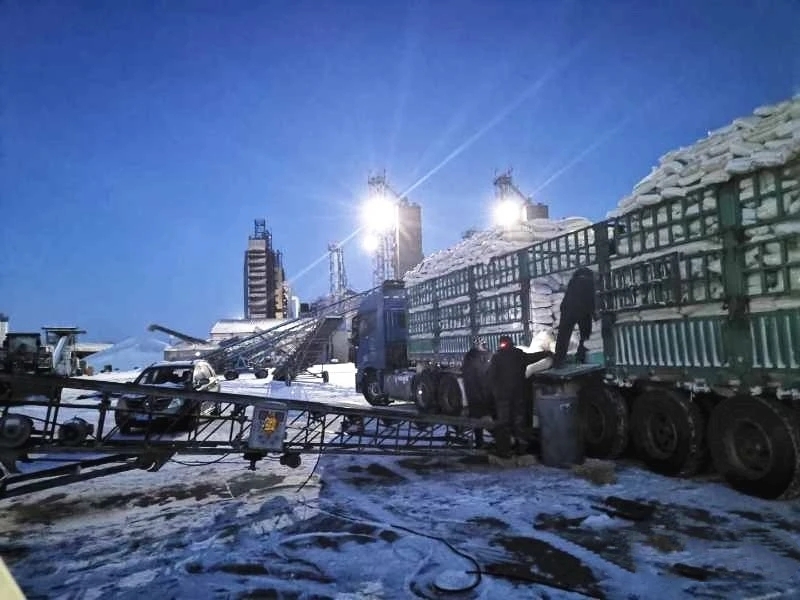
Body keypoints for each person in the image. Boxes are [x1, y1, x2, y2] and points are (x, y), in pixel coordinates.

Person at [488, 335, 553, 457]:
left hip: (503, 397)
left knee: (504, 423)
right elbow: (532, 357)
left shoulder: (497, 357)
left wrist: (495, 393)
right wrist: (546, 353)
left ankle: (505, 450)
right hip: (518, 395)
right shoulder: (518, 354)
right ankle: (521, 448)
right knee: (519, 421)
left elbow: (491, 377)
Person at [553, 267, 596, 368]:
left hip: (568, 309)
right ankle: (581, 356)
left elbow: (567, 297)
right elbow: (591, 299)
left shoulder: (573, 281)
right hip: (582, 310)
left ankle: (558, 361)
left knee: (563, 335)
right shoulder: (589, 282)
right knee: (585, 334)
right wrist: (594, 313)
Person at [461, 336, 494, 448]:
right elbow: (472, 376)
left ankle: (487, 441)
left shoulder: (486, 355)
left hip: (483, 392)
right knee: (478, 417)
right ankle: (480, 442)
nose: (482, 345)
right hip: (476, 393)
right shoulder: (472, 357)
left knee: (484, 416)